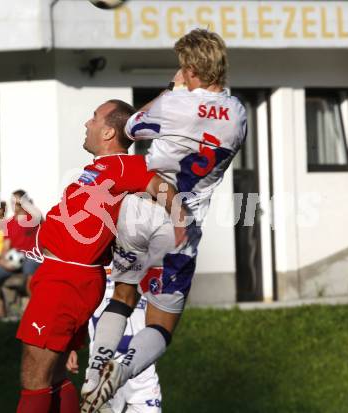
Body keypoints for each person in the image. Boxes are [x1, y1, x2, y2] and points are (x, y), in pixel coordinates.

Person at [80, 29, 247, 412]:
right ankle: (119, 373)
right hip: (183, 224)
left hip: (141, 210)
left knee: (123, 296)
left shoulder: (175, 104)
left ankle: (94, 373)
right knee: (161, 324)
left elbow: (133, 127)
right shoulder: (237, 113)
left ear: (189, 69)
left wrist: (171, 91)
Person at [15, 100, 185, 413]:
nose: (86, 124)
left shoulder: (124, 165)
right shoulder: (101, 169)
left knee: (33, 377)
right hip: (64, 276)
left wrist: (181, 225)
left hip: (65, 280)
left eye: (93, 118)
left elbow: (162, 189)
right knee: (52, 376)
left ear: (108, 132)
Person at [71, 193, 173, 413]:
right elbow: (78, 300)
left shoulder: (156, 256)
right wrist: (71, 343)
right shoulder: (94, 255)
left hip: (139, 363)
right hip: (102, 362)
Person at [0, 189, 41, 320]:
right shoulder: (8, 223)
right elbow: (6, 246)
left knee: (30, 269)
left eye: (17, 202)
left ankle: (35, 312)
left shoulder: (33, 218)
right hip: (13, 258)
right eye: (12, 202)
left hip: (31, 257)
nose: (14, 205)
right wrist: (2, 260)